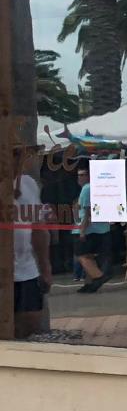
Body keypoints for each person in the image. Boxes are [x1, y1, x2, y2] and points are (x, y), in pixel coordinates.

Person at [11, 145, 52, 339]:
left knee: (29, 325)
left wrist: (45, 268)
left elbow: (38, 228)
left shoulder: (27, 184)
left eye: (19, 154)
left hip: (25, 270)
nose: (18, 160)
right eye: (13, 154)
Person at [72, 163, 112, 293]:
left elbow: (88, 212)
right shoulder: (96, 187)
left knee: (81, 255)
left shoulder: (87, 189)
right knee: (89, 256)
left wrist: (82, 230)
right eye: (79, 175)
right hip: (100, 228)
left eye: (83, 175)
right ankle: (90, 283)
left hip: (90, 228)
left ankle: (99, 276)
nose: (80, 178)